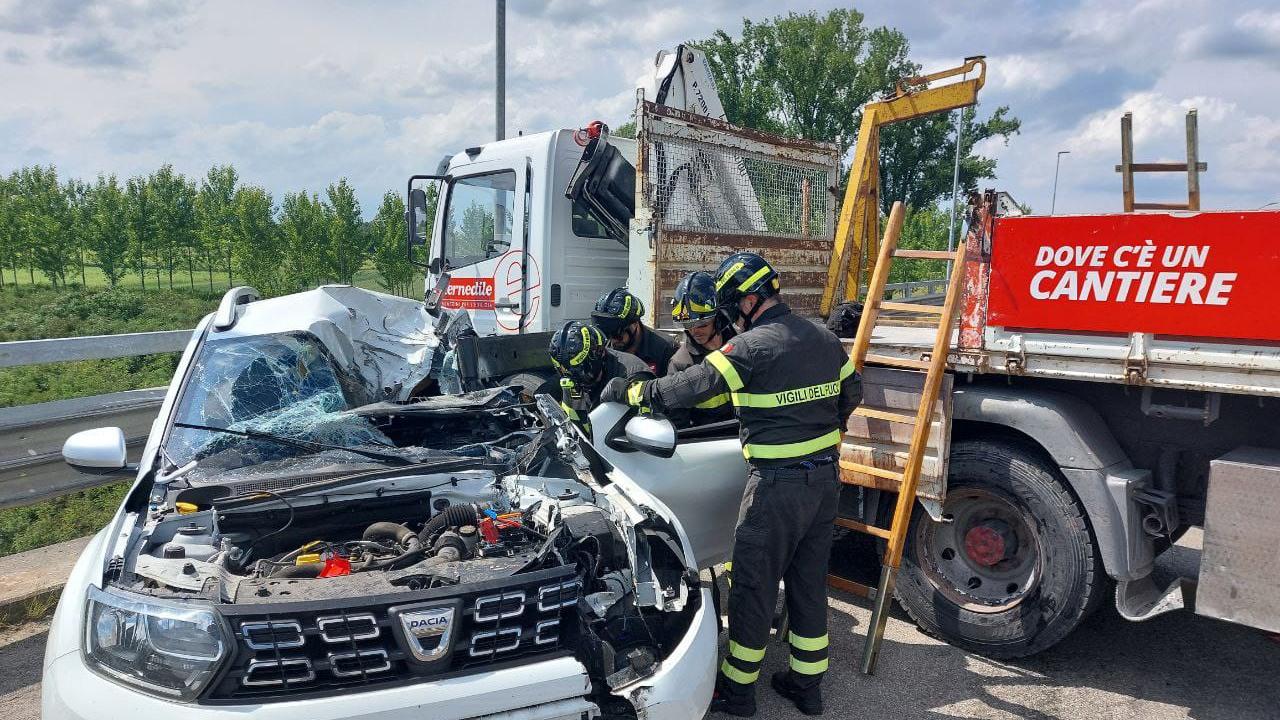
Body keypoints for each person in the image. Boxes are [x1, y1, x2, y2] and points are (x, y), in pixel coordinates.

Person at [602, 252, 861, 717]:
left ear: (747, 300)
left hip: (775, 487)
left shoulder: (749, 349)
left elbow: (687, 388)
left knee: (754, 587)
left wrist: (634, 391)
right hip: (825, 482)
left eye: (729, 304)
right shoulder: (824, 338)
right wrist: (820, 433)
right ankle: (807, 685)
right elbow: (852, 394)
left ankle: (738, 691)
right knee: (807, 582)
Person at [548, 319, 651, 436]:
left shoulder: (634, 377)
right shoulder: (571, 378)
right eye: (565, 373)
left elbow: (645, 434)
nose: (572, 381)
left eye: (580, 371)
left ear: (599, 354)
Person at [667, 271, 737, 426]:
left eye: (702, 324)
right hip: (709, 444)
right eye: (688, 325)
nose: (694, 331)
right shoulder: (680, 364)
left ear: (718, 319)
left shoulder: (741, 347)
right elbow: (678, 424)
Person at [591, 288, 676, 376]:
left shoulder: (665, 348)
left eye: (617, 334)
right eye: (607, 334)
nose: (612, 341)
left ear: (635, 323)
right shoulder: (603, 349)